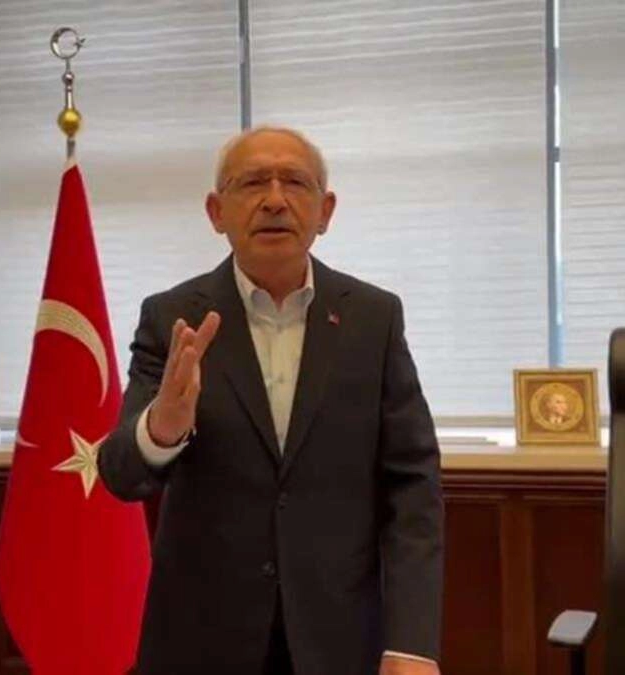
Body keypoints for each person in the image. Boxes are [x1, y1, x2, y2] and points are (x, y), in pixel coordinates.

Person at [98, 126, 443, 675]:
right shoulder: (172, 317)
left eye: (296, 183)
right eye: (254, 182)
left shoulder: (373, 318)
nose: (276, 200)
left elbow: (412, 486)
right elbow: (120, 474)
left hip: (339, 637)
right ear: (216, 212)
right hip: (201, 641)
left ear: (326, 211)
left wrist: (412, 644)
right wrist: (162, 427)